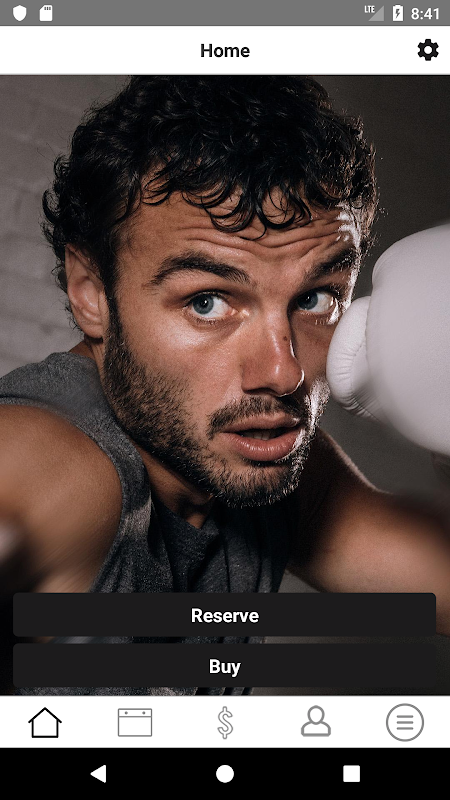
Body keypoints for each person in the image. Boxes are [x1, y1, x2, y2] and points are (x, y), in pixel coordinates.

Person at [0, 77, 449, 697]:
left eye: (315, 299)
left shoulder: (266, 466)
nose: (283, 374)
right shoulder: (49, 471)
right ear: (91, 294)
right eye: (207, 302)